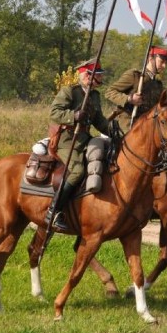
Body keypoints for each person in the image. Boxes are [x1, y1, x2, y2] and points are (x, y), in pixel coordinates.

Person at [45, 58, 111, 232]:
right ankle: (53, 210)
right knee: (77, 171)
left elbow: (99, 121)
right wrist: (73, 116)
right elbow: (54, 113)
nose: (101, 79)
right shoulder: (70, 91)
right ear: (89, 76)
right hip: (67, 141)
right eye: (99, 76)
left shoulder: (95, 96)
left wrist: (115, 132)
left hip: (84, 138)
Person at [105, 45, 167, 130]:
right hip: (127, 125)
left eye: (165, 63)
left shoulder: (158, 84)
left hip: (146, 126)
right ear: (150, 58)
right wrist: (129, 99)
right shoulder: (134, 75)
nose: (164, 65)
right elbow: (109, 92)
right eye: (162, 61)